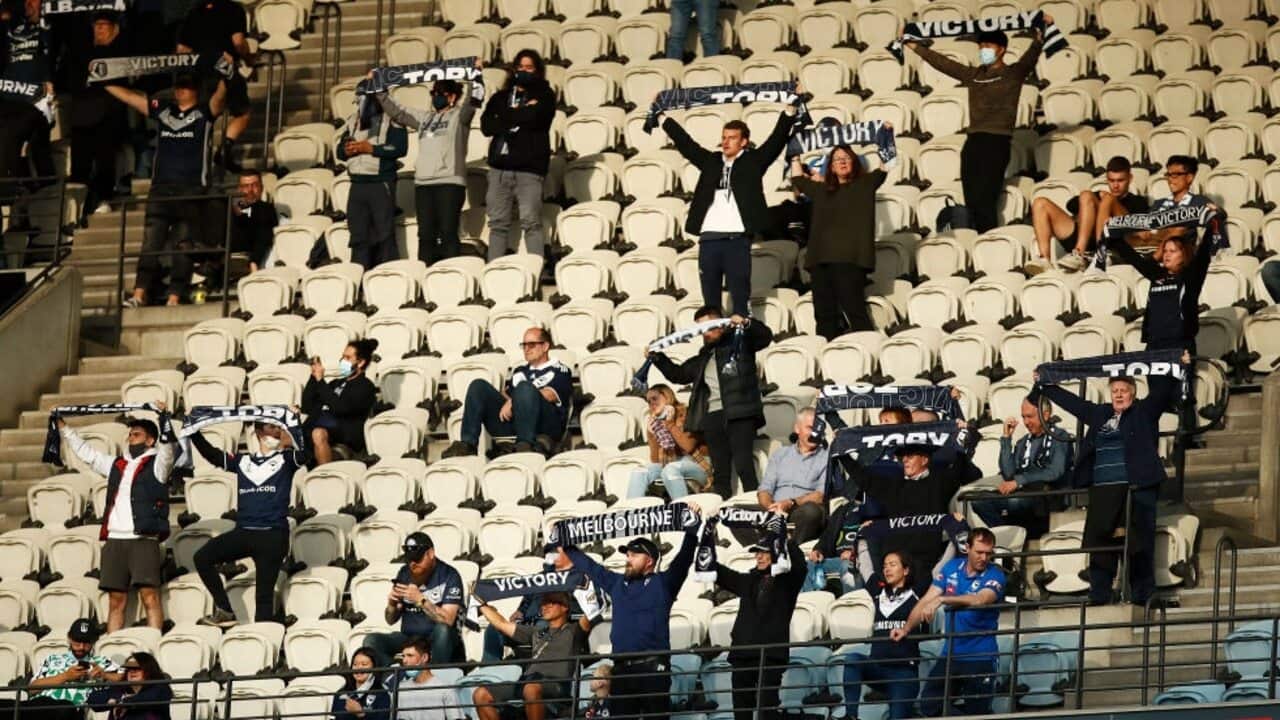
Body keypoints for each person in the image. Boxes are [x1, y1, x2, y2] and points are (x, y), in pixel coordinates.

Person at [1031, 364, 1184, 605]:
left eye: (1124, 390)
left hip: (1137, 489)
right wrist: (1046, 384)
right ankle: (1100, 595)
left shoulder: (1143, 412)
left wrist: (1176, 364)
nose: (1119, 394)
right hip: (1104, 491)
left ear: (1133, 392)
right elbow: (1073, 403)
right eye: (1115, 390)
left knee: (1139, 544)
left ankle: (1143, 595)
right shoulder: (1100, 413)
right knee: (1101, 545)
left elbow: (1162, 392)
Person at [560, 503, 703, 720]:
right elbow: (590, 567)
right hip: (622, 671)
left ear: (650, 561)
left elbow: (684, 558)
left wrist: (691, 528)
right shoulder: (617, 583)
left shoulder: (664, 583)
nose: (628, 559)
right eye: (628, 555)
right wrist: (566, 544)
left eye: (634, 555)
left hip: (653, 669)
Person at [905, 22, 1050, 233]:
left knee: (985, 201)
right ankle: (976, 245)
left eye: (988, 46)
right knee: (972, 200)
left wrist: (1040, 35)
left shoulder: (1013, 73)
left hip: (997, 142)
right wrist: (915, 47)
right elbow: (944, 64)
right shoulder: (974, 75)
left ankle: (989, 242)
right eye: (981, 46)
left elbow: (1030, 57)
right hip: (973, 142)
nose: (983, 51)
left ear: (1001, 49)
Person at [657, 105, 799, 316]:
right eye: (724, 137)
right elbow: (686, 144)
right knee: (710, 303)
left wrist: (789, 113)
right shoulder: (711, 161)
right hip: (709, 239)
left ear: (744, 141)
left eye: (732, 137)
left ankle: (740, 345)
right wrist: (661, 117)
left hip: (736, 240)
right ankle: (713, 346)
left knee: (740, 298)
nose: (726, 141)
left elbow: (775, 141)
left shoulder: (753, 161)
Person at [107, 73, 227, 307]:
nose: (179, 90)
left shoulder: (205, 112)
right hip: (161, 189)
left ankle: (174, 297)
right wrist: (105, 83)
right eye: (178, 85)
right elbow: (133, 99)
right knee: (150, 243)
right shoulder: (163, 110)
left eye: (186, 85)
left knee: (183, 245)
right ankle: (139, 295)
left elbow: (220, 98)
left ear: (196, 89)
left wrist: (225, 75)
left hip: (192, 190)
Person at [55, 411, 173, 632]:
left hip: (143, 539)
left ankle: (154, 645)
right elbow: (87, 454)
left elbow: (168, 448)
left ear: (150, 440)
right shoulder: (117, 465)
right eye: (129, 435)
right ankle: (111, 650)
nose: (130, 439)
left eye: (136, 435)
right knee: (115, 602)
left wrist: (165, 418)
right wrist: (64, 428)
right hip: (115, 539)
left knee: (150, 598)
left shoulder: (158, 465)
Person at [648, 308, 771, 497]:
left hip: (740, 414)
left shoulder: (740, 340)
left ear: (720, 323)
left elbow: (765, 337)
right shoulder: (704, 356)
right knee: (720, 473)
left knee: (744, 466)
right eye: (701, 329)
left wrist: (746, 323)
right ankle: (720, 514)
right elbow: (678, 374)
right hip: (712, 417)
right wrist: (656, 357)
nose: (705, 333)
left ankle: (753, 511)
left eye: (709, 327)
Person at [188, 422, 301, 627]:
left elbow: (307, 454)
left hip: (272, 535)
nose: (277, 432)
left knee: (263, 602)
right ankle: (225, 610)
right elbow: (212, 455)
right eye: (271, 428)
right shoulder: (242, 461)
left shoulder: (287, 459)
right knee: (202, 557)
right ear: (258, 433)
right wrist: (193, 432)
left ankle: (265, 650)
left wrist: (294, 425)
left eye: (279, 428)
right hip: (245, 532)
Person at [840, 429, 979, 595]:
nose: (904, 460)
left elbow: (962, 462)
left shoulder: (940, 481)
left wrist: (965, 431)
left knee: (958, 529)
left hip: (925, 561)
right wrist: (841, 453)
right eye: (903, 456)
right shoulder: (893, 486)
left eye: (910, 456)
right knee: (865, 535)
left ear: (925, 459)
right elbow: (863, 479)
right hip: (893, 560)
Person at [375, 64, 485, 263]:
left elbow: (474, 99)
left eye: (440, 93)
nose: (435, 97)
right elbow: (397, 112)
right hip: (424, 184)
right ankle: (427, 279)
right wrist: (380, 90)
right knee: (425, 235)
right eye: (433, 93)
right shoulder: (425, 118)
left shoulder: (460, 117)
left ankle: (451, 278)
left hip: (450, 183)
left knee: (448, 233)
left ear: (452, 97)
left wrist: (476, 75)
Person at [899, 527, 1004, 717]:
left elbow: (980, 599)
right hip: (950, 655)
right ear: (967, 548)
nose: (984, 558)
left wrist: (943, 600)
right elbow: (925, 600)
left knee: (978, 712)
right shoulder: (951, 568)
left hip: (981, 657)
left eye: (988, 553)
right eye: (979, 552)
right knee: (929, 705)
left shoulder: (995, 575)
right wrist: (906, 629)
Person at [789, 142, 888, 339]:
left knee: (854, 309)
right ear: (831, 166)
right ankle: (830, 356)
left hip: (850, 259)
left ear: (854, 162)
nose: (842, 162)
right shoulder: (821, 189)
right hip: (820, 260)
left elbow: (886, 164)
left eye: (846, 158)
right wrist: (795, 154)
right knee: (824, 314)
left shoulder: (865, 184)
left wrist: (886, 137)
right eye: (837, 159)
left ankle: (868, 350)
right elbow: (798, 178)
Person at [442, 327, 573, 458]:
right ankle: (468, 445)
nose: (527, 349)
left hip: (545, 427)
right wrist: (505, 399)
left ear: (545, 346)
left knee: (524, 388)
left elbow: (549, 394)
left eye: (532, 344)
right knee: (478, 386)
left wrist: (513, 400)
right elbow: (507, 394)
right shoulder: (519, 371)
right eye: (524, 345)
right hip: (515, 423)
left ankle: (525, 446)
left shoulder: (560, 369)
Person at [715, 538, 806, 720]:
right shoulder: (748, 579)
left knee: (767, 708)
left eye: (765, 552)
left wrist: (785, 539)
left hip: (771, 655)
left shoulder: (788, 581)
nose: (759, 557)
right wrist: (704, 543)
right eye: (757, 552)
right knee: (741, 710)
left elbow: (801, 567)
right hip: (742, 653)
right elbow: (718, 572)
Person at [480, 49, 555, 260]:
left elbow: (536, 119)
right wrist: (520, 114)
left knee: (531, 223)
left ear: (538, 71)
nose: (523, 71)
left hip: (529, 170)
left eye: (529, 67)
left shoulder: (545, 96)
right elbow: (486, 125)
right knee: (497, 224)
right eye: (520, 67)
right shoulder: (500, 96)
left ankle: (535, 272)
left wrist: (504, 116)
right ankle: (493, 275)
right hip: (499, 169)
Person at [472, 592, 591, 720]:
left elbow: (592, 612)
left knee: (531, 688)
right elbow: (502, 624)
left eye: (551, 603)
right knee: (480, 694)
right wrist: (480, 603)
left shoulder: (574, 631)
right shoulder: (536, 632)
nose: (545, 607)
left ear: (565, 607)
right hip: (527, 684)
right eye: (543, 604)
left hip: (556, 686)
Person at [968, 397, 1072, 537]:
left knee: (1015, 501)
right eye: (1023, 417)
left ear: (1045, 415)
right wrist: (1006, 439)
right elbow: (1008, 474)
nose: (1026, 422)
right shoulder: (1023, 442)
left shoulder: (1060, 437)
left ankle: (1012, 535)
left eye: (1030, 416)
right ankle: (1007, 535)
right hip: (1022, 494)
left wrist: (1020, 480)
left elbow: (1055, 471)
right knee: (977, 501)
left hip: (1046, 496)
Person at [1030, 155, 1149, 273]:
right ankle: (1044, 259)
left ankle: (1080, 253)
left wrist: (1107, 202)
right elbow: (1071, 205)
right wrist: (1097, 198)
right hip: (1083, 235)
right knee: (1040, 203)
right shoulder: (1100, 195)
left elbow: (1140, 231)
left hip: (1113, 241)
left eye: (1120, 180)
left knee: (1107, 199)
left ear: (1130, 178)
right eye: (1111, 180)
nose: (1115, 185)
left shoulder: (1138, 201)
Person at [841, 552, 921, 720]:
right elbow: (866, 566)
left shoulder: (918, 594)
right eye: (885, 565)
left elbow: (940, 571)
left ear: (906, 570)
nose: (887, 569)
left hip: (904, 672)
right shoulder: (878, 593)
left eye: (893, 564)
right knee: (852, 659)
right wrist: (863, 536)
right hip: (878, 668)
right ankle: (851, 716)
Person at [365, 532, 464, 667]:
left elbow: (448, 619)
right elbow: (390, 620)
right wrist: (392, 605)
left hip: (435, 638)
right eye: (409, 559)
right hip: (409, 638)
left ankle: (436, 678)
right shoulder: (404, 573)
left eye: (417, 559)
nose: (413, 564)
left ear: (430, 553)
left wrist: (421, 600)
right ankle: (395, 677)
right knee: (371, 640)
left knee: (443, 631)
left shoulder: (449, 575)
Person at [175, 0, 252, 171]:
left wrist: (202, 56)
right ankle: (224, 149)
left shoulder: (194, 11)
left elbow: (181, 49)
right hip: (224, 69)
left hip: (198, 73)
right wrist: (249, 58)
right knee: (243, 113)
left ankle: (196, 162)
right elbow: (239, 42)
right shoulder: (233, 8)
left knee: (204, 117)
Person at [68, 11, 130, 218]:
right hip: (81, 115)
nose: (99, 29)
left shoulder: (121, 51)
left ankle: (104, 198)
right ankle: (77, 210)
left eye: (104, 25)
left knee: (105, 159)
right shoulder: (82, 52)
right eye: (96, 25)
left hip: (108, 115)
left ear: (115, 28)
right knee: (79, 166)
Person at [0, 619, 124, 720]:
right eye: (77, 642)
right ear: (69, 638)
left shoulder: (101, 662)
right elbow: (32, 689)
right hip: (39, 705)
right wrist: (65, 676)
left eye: (86, 643)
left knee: (61, 709)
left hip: (71, 709)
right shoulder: (52, 659)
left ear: (93, 642)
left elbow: (126, 680)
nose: (81, 647)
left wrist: (105, 675)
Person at [337, 96, 408, 269]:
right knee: (358, 237)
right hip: (357, 184)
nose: (361, 104)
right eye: (359, 100)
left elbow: (400, 148)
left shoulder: (392, 118)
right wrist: (346, 149)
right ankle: (360, 280)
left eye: (365, 99)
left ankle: (388, 279)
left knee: (384, 236)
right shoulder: (352, 120)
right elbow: (339, 152)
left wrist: (370, 149)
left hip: (380, 183)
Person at [480, 547, 581, 662]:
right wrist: (520, 611)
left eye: (557, 553)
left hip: (551, 626)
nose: (552, 556)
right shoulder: (538, 578)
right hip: (527, 624)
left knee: (544, 626)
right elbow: (527, 600)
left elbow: (579, 609)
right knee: (494, 629)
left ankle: (539, 669)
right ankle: (490, 672)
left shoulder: (576, 578)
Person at [0, 0, 54, 193]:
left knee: (33, 144)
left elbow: (51, 55)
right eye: (25, 1)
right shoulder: (9, 29)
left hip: (36, 100)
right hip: (8, 98)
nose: (28, 4)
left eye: (34, 0)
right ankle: (17, 188)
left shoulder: (48, 30)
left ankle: (42, 187)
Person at [626, 384, 712, 501]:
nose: (652, 404)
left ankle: (683, 512)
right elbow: (656, 460)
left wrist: (670, 424)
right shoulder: (656, 422)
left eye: (655, 399)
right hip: (671, 464)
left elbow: (688, 446)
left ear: (667, 397)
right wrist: (652, 435)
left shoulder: (687, 414)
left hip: (699, 465)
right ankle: (631, 514)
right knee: (639, 471)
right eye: (649, 401)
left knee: (670, 469)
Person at [301, 338, 379, 466]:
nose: (342, 361)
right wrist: (314, 377)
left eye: (348, 358)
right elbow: (307, 406)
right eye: (342, 357)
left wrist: (321, 382)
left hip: (343, 440)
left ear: (360, 363)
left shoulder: (365, 386)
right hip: (316, 433)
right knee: (283, 433)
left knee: (318, 433)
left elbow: (341, 407)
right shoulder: (335, 384)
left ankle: (326, 477)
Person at [757, 408, 827, 543]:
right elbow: (765, 489)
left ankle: (789, 548)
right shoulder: (780, 454)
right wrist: (771, 508)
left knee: (812, 512)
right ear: (797, 428)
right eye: (810, 428)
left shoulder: (827, 457)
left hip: (800, 509)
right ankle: (766, 545)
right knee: (731, 512)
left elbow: (820, 495)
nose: (815, 433)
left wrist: (790, 503)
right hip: (774, 509)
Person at [86, 652, 171, 720]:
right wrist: (118, 701)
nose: (132, 671)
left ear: (149, 669)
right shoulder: (121, 689)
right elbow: (93, 699)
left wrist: (122, 702)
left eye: (137, 668)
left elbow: (148, 698)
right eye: (129, 668)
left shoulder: (161, 687)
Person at [392, 638, 458, 720]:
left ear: (424, 657)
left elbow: (455, 718)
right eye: (403, 656)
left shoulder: (445, 688)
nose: (404, 661)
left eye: (410, 656)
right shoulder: (402, 687)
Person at [230, 170, 278, 272]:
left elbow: (265, 233)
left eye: (254, 185)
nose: (250, 190)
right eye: (245, 186)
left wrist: (254, 260)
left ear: (261, 188)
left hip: (252, 250)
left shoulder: (267, 209)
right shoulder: (230, 209)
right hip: (231, 250)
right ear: (239, 189)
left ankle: (253, 262)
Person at [331, 648, 391, 720]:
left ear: (374, 667)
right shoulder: (341, 694)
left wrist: (361, 714)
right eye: (355, 664)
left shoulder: (382, 694)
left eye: (364, 664)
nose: (359, 668)